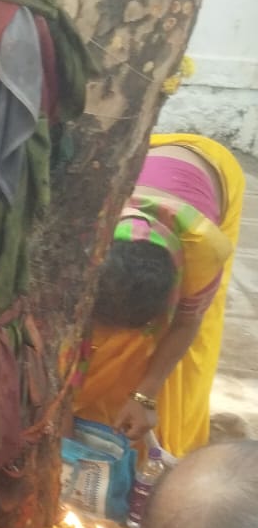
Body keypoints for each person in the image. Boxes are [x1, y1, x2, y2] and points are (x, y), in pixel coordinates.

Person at [75, 133, 245, 456]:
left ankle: (173, 437)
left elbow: (186, 322)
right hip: (154, 160)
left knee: (188, 356)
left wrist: (145, 396)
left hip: (217, 170)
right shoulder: (88, 233)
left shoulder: (203, 252)